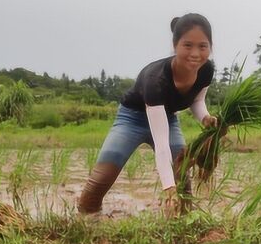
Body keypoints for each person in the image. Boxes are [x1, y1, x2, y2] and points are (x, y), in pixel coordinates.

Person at [78, 13, 217, 216]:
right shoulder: (156, 79)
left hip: (168, 117)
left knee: (182, 176)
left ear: (210, 47)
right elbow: (162, 146)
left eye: (202, 46)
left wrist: (205, 117)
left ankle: (183, 227)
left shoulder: (206, 70)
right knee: (103, 175)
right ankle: (87, 219)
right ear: (175, 44)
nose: (195, 53)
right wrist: (168, 189)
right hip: (132, 118)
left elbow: (196, 100)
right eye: (188, 45)